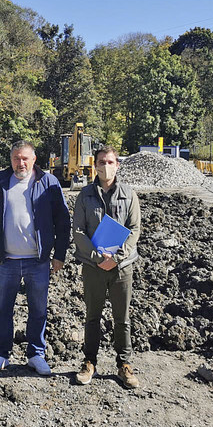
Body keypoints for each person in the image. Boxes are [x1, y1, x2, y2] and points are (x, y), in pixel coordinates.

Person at [0, 140, 71, 376]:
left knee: (38, 310)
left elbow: (63, 221)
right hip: (6, 261)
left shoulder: (48, 182)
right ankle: (1, 354)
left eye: (25, 158)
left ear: (34, 159)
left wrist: (59, 254)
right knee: (2, 310)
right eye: (16, 158)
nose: (21, 163)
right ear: (11, 160)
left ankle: (35, 354)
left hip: (37, 261)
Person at [72, 146, 142, 389]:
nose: (105, 166)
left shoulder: (128, 194)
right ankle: (89, 362)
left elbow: (134, 229)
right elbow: (78, 230)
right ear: (95, 165)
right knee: (92, 317)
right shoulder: (85, 195)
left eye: (110, 162)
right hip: (93, 267)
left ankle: (124, 364)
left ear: (117, 165)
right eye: (101, 162)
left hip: (122, 268)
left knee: (121, 318)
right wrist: (97, 257)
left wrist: (117, 258)